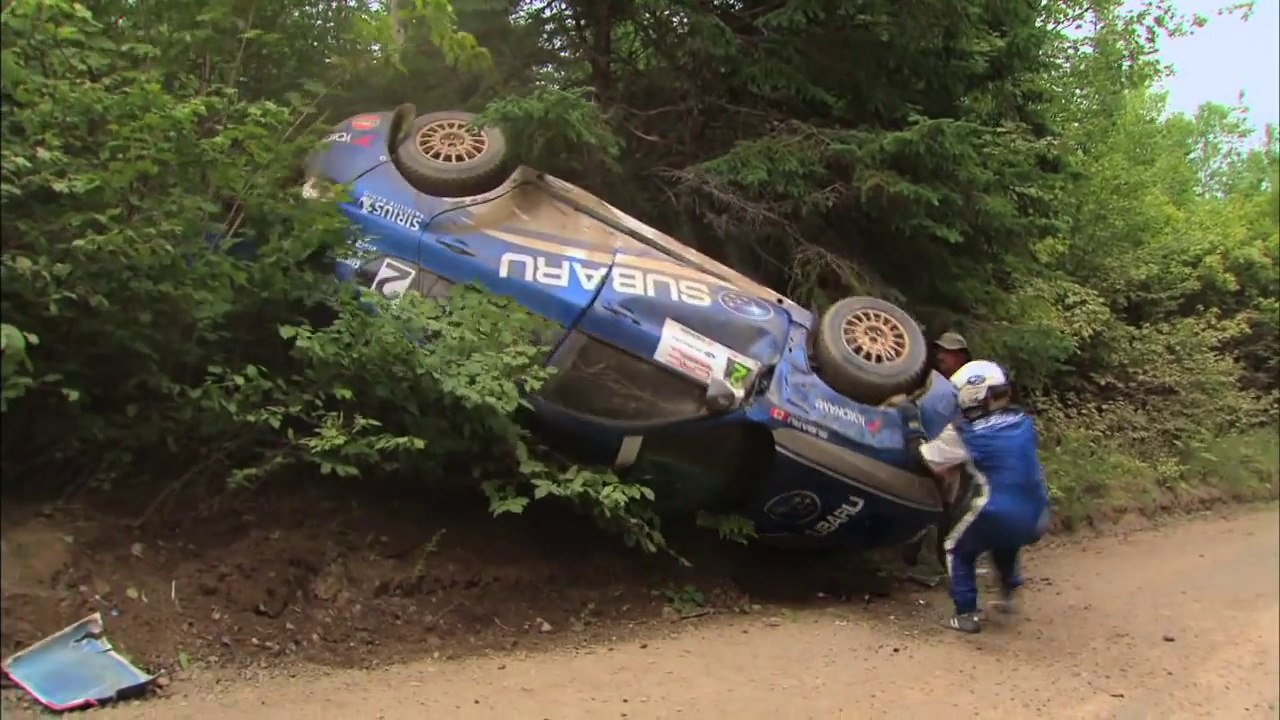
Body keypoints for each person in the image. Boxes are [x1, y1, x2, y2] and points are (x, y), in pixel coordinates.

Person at [894, 359, 1050, 634]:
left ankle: (966, 614)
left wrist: (909, 417)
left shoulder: (964, 433)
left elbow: (924, 458)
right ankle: (1008, 593)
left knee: (956, 547)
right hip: (1037, 511)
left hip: (997, 509)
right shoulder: (1023, 421)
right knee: (1005, 541)